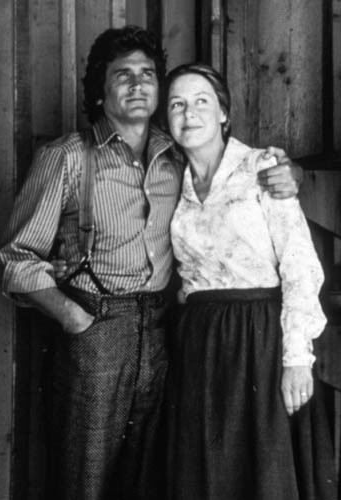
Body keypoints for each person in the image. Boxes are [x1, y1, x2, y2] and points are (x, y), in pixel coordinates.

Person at [0, 26, 302, 500]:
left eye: (147, 75)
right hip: (96, 328)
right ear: (99, 93)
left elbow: (232, 172)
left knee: (148, 481)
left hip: (163, 334)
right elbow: (17, 258)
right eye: (122, 75)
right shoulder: (67, 157)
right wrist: (74, 318)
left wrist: (289, 171)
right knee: (84, 481)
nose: (137, 85)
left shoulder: (174, 154)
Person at [164, 63, 336, 500]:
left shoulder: (261, 166)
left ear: (223, 112)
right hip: (201, 343)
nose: (189, 113)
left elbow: (299, 264)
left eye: (201, 101)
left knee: (264, 472)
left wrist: (297, 359)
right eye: (177, 104)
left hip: (259, 339)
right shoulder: (169, 178)